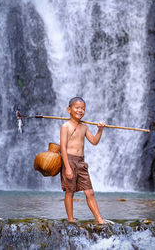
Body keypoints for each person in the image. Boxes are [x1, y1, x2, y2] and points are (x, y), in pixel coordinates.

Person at [60, 96, 106, 224]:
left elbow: (94, 141)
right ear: (69, 109)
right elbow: (62, 147)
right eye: (77, 108)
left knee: (89, 192)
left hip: (81, 162)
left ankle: (100, 220)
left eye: (83, 108)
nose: (80, 111)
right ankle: (70, 219)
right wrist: (67, 167)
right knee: (70, 191)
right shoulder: (66, 126)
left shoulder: (84, 127)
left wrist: (100, 130)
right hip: (69, 160)